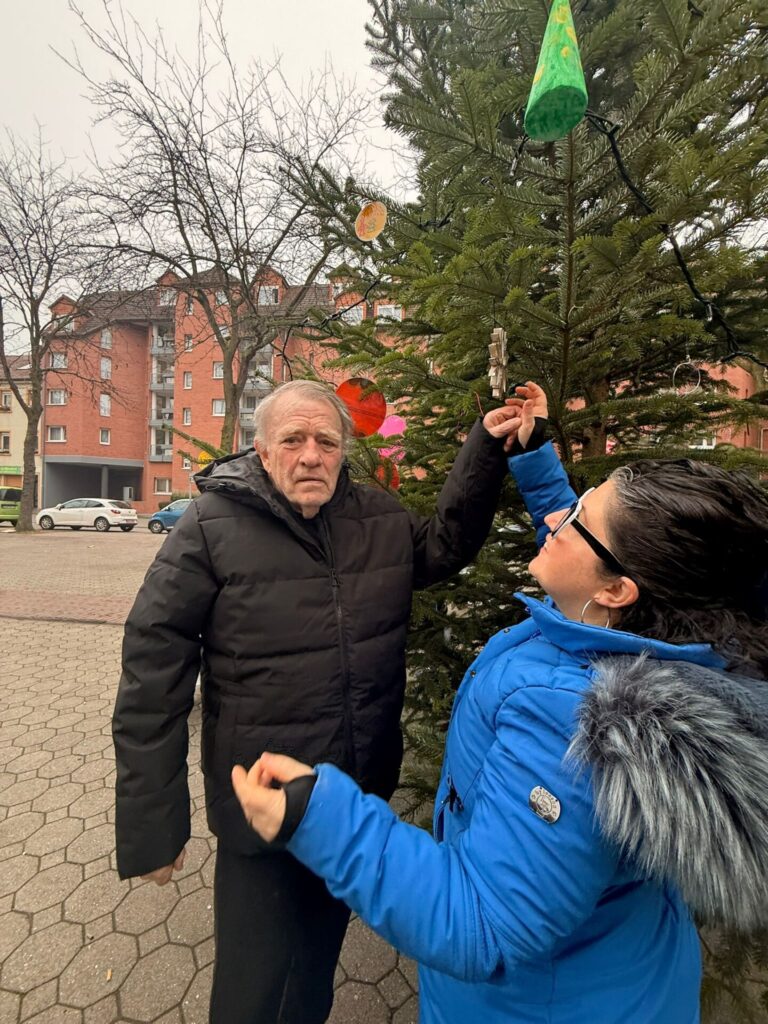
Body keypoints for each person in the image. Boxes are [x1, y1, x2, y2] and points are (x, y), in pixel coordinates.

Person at [231, 381, 768, 1024]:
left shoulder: (577, 722)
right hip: (621, 974)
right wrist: (534, 451)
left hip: (538, 1007)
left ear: (619, 588)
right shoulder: (665, 632)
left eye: (578, 519)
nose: (554, 518)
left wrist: (317, 815)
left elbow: (480, 923)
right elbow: (606, 546)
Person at [112, 378, 523, 1024]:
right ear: (262, 451)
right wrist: (152, 827)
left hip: (350, 802)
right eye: (293, 440)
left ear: (343, 450)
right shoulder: (209, 528)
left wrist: (487, 448)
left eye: (325, 441)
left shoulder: (379, 520)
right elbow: (150, 671)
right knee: (253, 994)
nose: (311, 455)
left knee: (310, 978)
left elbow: (445, 544)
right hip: (262, 805)